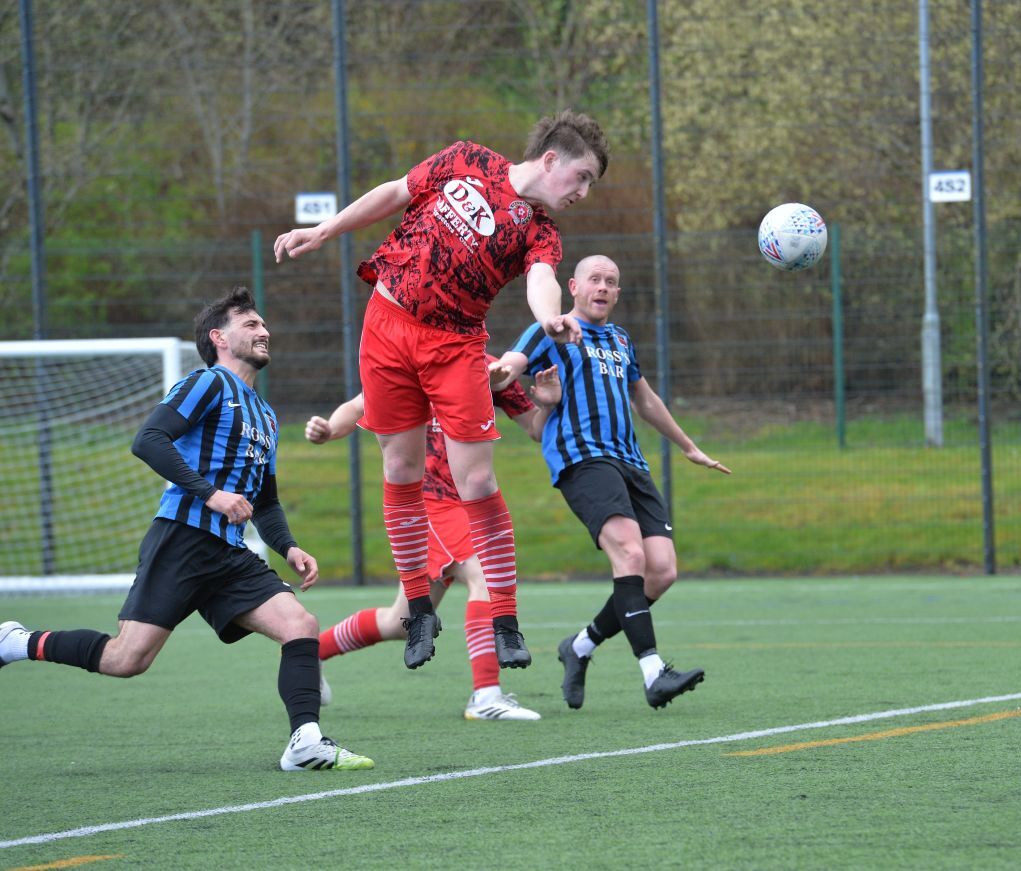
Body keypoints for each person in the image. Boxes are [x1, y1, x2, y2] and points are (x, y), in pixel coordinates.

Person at [274, 110, 609, 671]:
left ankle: (505, 621)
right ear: (551, 159)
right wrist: (324, 230)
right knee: (400, 469)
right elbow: (393, 192)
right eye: (582, 177)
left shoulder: (540, 230)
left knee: (477, 479)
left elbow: (541, 279)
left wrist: (549, 319)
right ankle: (418, 613)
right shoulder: (466, 158)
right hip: (387, 325)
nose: (583, 192)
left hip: (454, 347)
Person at [0, 287, 373, 771]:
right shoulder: (208, 383)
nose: (264, 331)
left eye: (263, 323)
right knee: (126, 660)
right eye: (251, 324)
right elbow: (149, 439)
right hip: (181, 539)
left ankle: (305, 742)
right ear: (219, 338)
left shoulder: (266, 415)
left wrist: (289, 547)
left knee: (299, 625)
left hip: (229, 554)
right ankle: (17, 642)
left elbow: (265, 501)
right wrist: (211, 494)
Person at [492, 255, 731, 710]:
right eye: (595, 279)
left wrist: (688, 447)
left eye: (611, 282)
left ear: (618, 293)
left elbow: (645, 398)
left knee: (661, 571)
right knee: (630, 552)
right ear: (574, 287)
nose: (603, 287)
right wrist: (499, 376)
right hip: (582, 458)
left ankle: (579, 646)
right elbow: (508, 368)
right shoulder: (549, 330)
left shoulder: (620, 338)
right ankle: (654, 673)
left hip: (630, 461)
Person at [305, 360, 561, 720]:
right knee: (486, 578)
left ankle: (311, 652)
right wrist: (329, 429)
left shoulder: (489, 368)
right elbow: (359, 404)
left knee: (399, 621)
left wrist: (547, 405)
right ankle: (486, 696)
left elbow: (535, 428)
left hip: (469, 503)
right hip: (429, 503)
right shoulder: (411, 362)